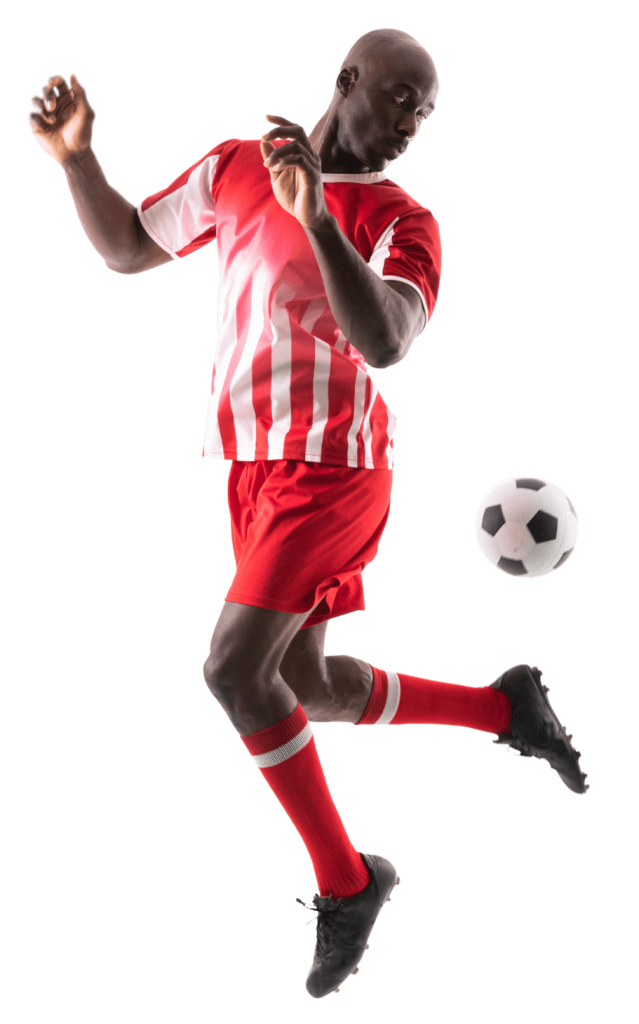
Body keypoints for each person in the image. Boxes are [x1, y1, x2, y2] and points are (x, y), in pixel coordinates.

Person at [27, 27, 589, 1000]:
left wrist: (319, 217)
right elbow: (126, 246)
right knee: (301, 681)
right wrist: (78, 157)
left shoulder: (405, 220)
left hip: (334, 470)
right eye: (400, 98)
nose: (411, 123)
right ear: (346, 80)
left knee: (232, 672)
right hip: (251, 467)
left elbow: (388, 337)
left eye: (425, 112)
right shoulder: (236, 165)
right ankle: (505, 706)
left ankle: (348, 881)